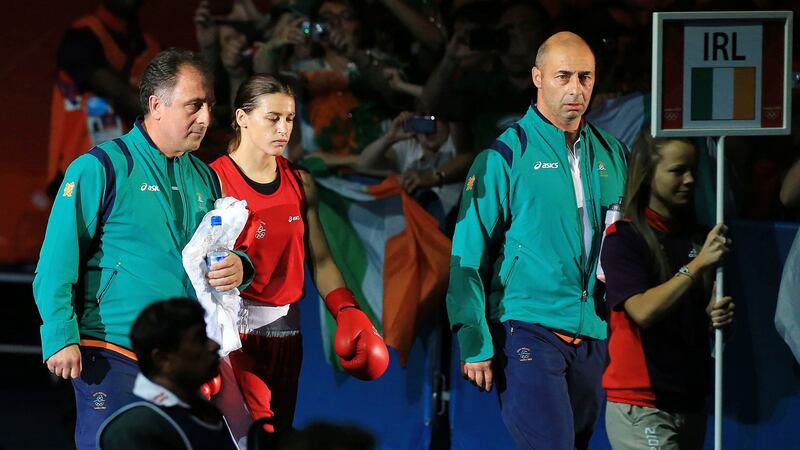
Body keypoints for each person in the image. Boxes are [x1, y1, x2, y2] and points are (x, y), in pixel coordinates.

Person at [33, 48, 250, 450]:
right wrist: (60, 335)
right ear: (157, 105)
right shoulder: (100, 167)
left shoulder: (206, 177)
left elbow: (221, 249)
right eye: (194, 105)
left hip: (181, 356)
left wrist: (240, 265)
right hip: (112, 349)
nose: (205, 118)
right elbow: (55, 263)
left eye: (210, 106)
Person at [446, 31, 628, 449]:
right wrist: (473, 337)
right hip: (526, 325)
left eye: (585, 77)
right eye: (563, 76)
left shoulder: (613, 154)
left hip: (592, 330)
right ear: (537, 78)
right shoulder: (505, 155)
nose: (576, 89)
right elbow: (466, 255)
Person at [208, 74, 389, 435]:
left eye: (289, 118)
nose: (284, 128)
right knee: (256, 439)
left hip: (289, 335)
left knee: (279, 437)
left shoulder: (299, 181)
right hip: (234, 339)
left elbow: (320, 259)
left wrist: (347, 310)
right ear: (243, 118)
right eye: (272, 118)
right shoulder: (213, 181)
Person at [601, 133, 735, 449]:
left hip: (689, 400)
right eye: (677, 171)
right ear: (648, 173)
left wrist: (716, 318)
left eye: (693, 170)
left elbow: (700, 323)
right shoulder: (623, 238)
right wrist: (697, 266)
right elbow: (643, 311)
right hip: (642, 403)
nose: (689, 179)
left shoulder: (698, 239)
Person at [47, 0, 160, 195]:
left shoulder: (151, 47)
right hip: (78, 168)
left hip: (130, 175)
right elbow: (122, 94)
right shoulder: (82, 37)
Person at [97, 298, 237, 450]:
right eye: (200, 339)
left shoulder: (203, 410)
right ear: (162, 359)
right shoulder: (137, 428)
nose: (214, 345)